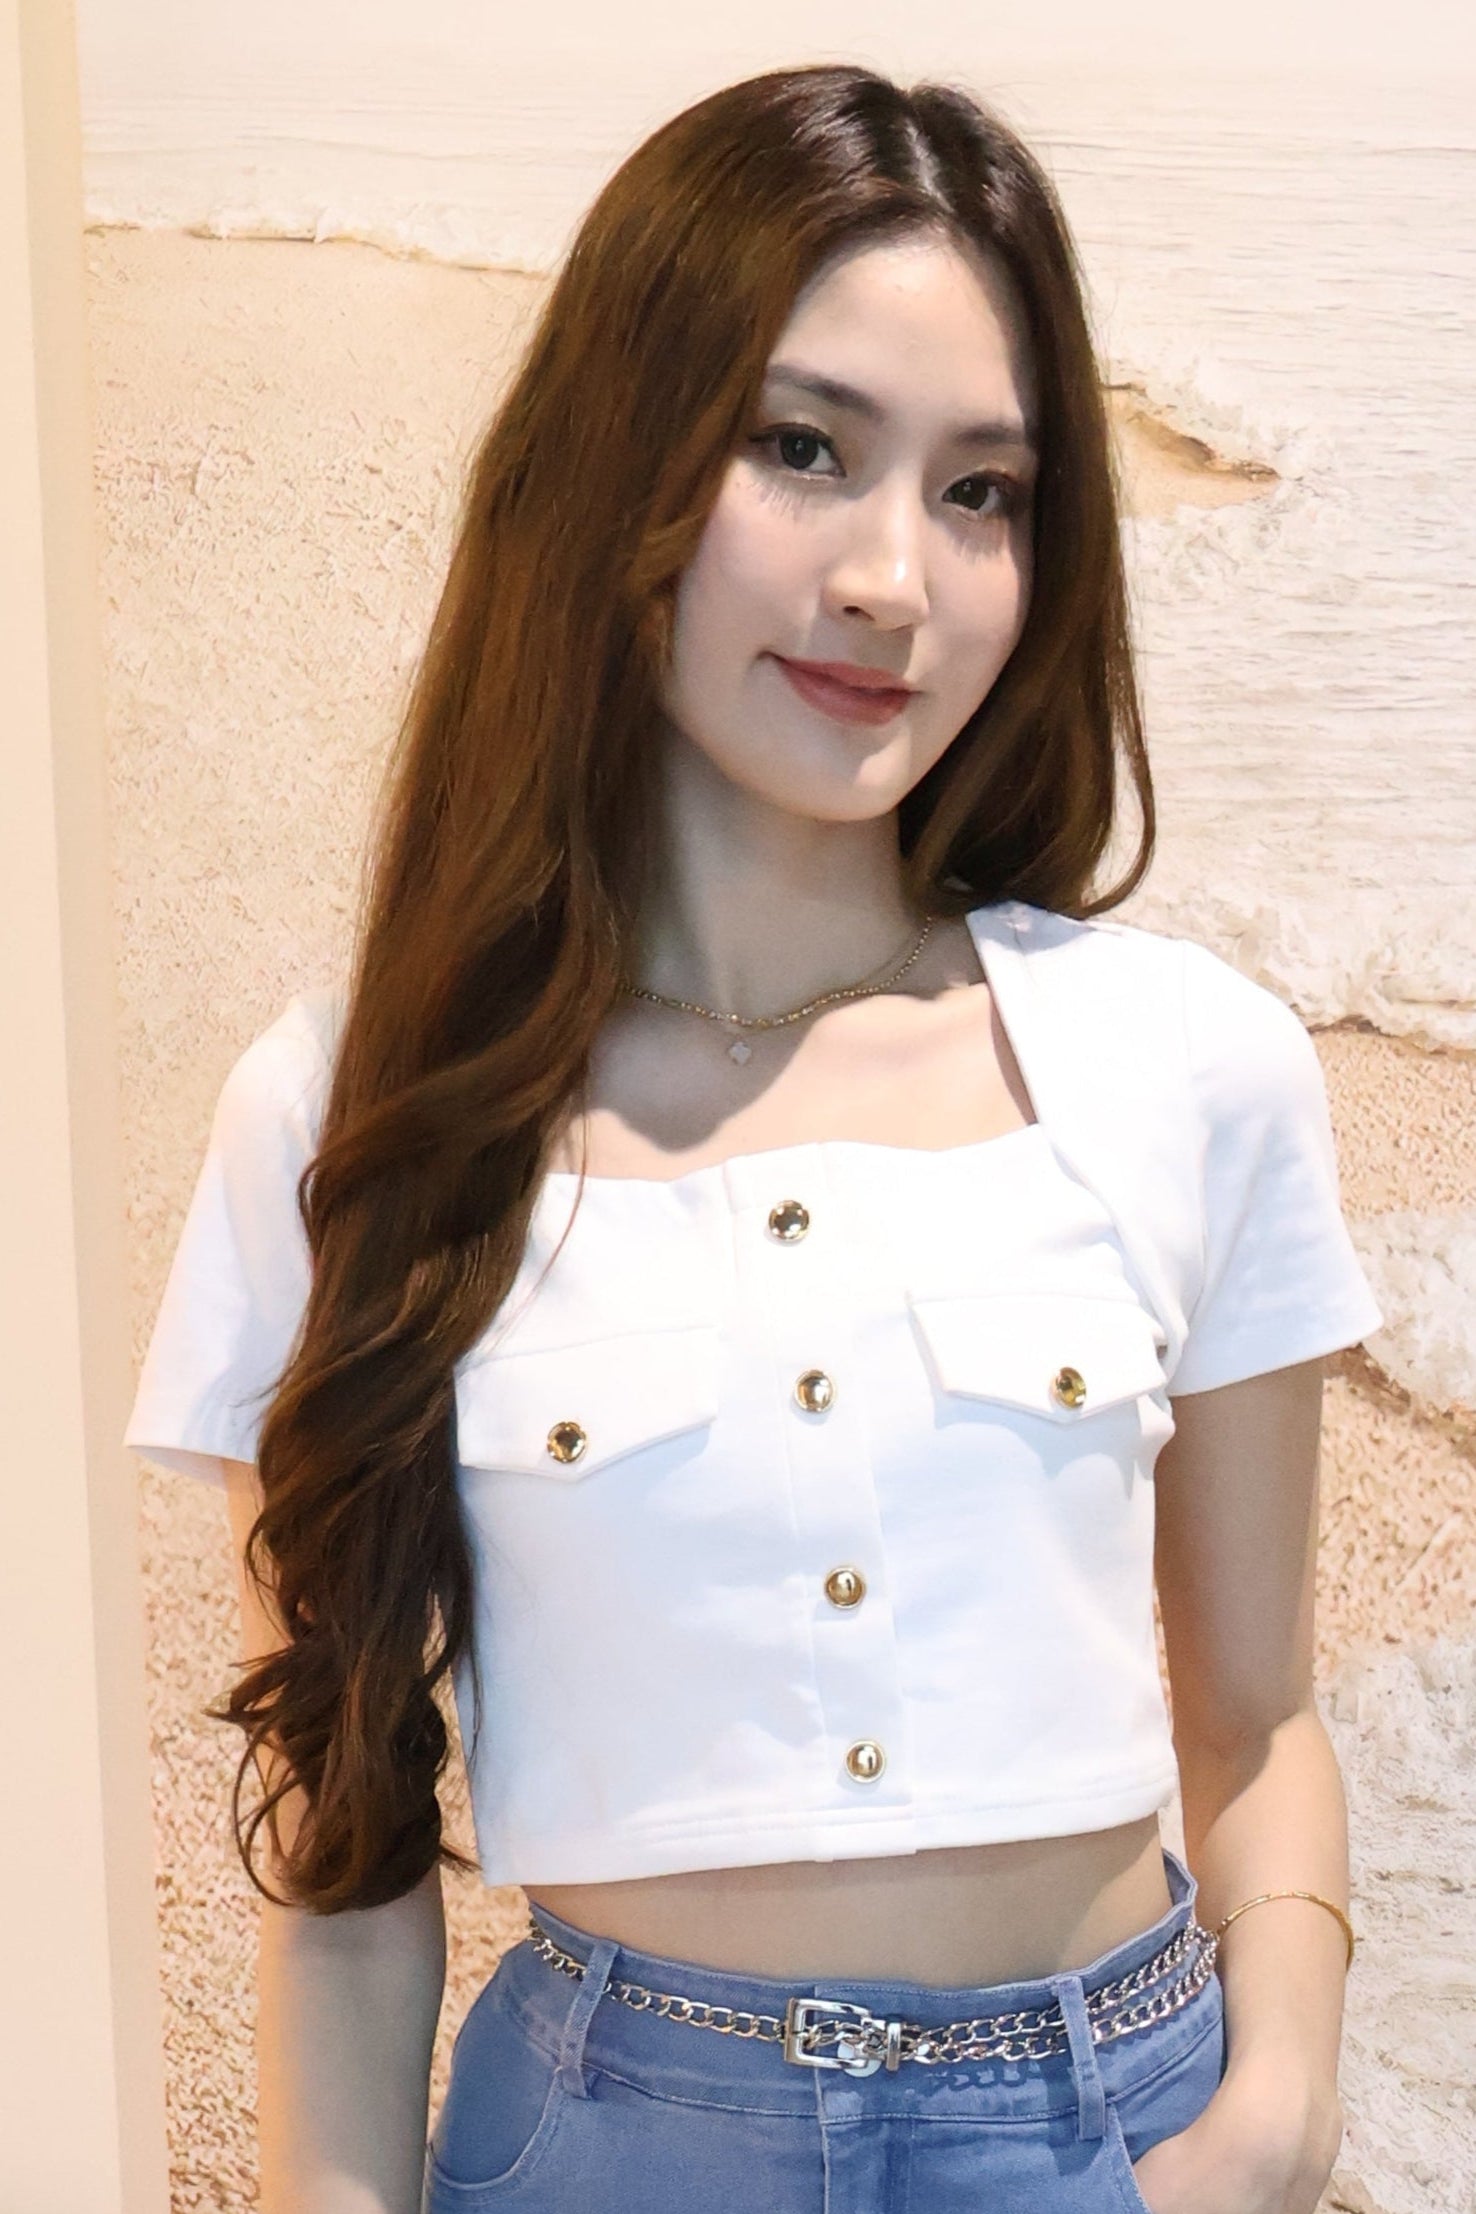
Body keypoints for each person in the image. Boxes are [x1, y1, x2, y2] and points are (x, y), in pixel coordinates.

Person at [124, 61, 1383, 2214]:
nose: (896, 578)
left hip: (1118, 2134)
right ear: (616, 461)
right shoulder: (355, 1113)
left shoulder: (1193, 1065)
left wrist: (1271, 2125)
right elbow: (345, 1850)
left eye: (982, 492)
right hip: (614, 2143)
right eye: (804, 448)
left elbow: (1256, 1720)